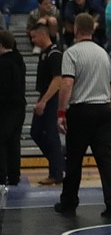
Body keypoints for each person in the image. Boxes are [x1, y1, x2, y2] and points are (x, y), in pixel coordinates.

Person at [53, 14, 111, 218]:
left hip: (82, 110)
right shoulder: (103, 53)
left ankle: (69, 201)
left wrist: (60, 112)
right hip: (103, 109)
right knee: (106, 158)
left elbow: (67, 83)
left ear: (75, 29)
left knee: (74, 158)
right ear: (92, 29)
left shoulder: (71, 53)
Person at [27, 20, 65, 185]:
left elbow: (57, 80)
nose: (33, 41)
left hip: (51, 98)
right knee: (36, 133)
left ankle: (56, 173)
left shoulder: (54, 54)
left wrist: (44, 101)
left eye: (34, 37)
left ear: (43, 35)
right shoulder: (44, 53)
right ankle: (59, 164)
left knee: (51, 135)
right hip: (44, 96)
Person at [0, 30, 25, 185]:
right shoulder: (19, 60)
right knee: (14, 142)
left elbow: (2, 90)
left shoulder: (3, 64)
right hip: (19, 106)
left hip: (6, 108)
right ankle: (14, 175)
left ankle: (2, 176)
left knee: (1, 141)